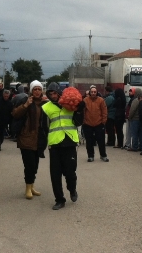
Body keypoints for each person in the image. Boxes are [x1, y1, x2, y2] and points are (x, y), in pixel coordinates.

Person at [42, 82, 83, 210]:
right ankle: (59, 200)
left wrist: (79, 111)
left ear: (59, 92)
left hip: (69, 142)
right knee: (55, 175)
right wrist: (42, 145)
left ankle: (72, 189)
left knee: (70, 172)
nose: (53, 95)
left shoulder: (70, 104)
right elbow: (44, 127)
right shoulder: (46, 108)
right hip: (55, 144)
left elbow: (78, 122)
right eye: (50, 93)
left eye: (54, 93)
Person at [11, 81, 49, 200]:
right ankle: (27, 188)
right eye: (35, 89)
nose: (37, 91)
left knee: (35, 165)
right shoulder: (26, 101)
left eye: (39, 89)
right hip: (26, 138)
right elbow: (15, 114)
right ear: (31, 91)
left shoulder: (44, 103)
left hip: (39, 139)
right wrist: (26, 105)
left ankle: (31, 186)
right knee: (29, 165)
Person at [82, 85, 109, 162]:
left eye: (95, 92)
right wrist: (84, 121)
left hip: (99, 124)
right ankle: (90, 156)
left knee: (101, 141)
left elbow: (104, 111)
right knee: (89, 142)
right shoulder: (85, 100)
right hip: (88, 124)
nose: (93, 93)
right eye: (92, 92)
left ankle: (103, 155)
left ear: (97, 92)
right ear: (89, 92)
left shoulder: (101, 100)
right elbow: (83, 111)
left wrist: (103, 121)